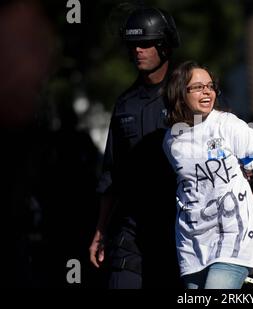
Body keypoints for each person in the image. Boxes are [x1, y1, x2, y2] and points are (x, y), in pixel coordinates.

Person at [163, 61, 253, 289]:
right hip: (192, 243)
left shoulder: (229, 125)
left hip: (233, 237)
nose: (207, 91)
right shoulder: (170, 140)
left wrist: (252, 214)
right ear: (179, 92)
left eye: (210, 86)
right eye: (197, 87)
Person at [88, 7, 181, 289]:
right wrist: (101, 230)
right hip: (131, 229)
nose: (138, 51)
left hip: (180, 228)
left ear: (164, 46)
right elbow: (111, 175)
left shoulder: (189, 97)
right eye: (133, 46)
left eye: (145, 44)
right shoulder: (125, 104)